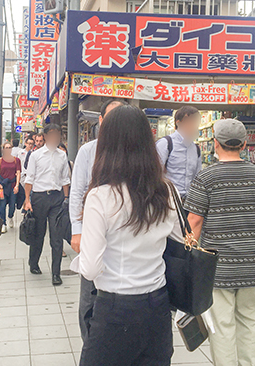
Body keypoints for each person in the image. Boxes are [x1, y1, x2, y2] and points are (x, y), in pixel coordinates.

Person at [74, 105, 183, 366]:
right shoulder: (168, 191)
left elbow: (89, 269)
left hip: (115, 310)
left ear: (106, 144)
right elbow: (179, 241)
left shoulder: (100, 197)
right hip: (158, 306)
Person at [184, 118, 255, 366]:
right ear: (245, 144)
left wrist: (191, 256)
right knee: (251, 319)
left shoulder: (206, 177)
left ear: (215, 143)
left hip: (218, 267)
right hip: (254, 264)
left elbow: (194, 220)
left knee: (222, 324)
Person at [69, 98, 124, 342]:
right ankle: (90, 345)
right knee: (89, 296)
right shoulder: (88, 151)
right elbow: (77, 191)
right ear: (100, 121)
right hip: (93, 232)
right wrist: (76, 230)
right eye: (111, 119)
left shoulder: (134, 153)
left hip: (123, 236)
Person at [23, 124, 70, 286]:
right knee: (38, 233)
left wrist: (66, 198)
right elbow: (29, 179)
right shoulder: (35, 156)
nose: (55, 139)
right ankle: (33, 262)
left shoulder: (62, 156)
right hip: (39, 198)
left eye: (58, 135)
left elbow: (65, 179)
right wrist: (27, 200)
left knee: (57, 237)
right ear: (45, 137)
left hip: (56, 198)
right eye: (52, 135)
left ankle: (56, 273)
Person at [156, 106, 202, 197]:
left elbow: (197, 177)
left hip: (188, 202)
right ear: (178, 123)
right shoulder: (165, 144)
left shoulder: (195, 149)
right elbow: (155, 174)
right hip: (169, 200)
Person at [0, 141, 21, 231]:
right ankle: (3, 223)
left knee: (12, 205)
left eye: (10, 148)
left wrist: (17, 185)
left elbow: (18, 173)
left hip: (13, 185)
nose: (8, 149)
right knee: (2, 205)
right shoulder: (0, 161)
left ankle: (10, 216)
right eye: (6, 148)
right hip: (3, 187)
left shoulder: (16, 160)